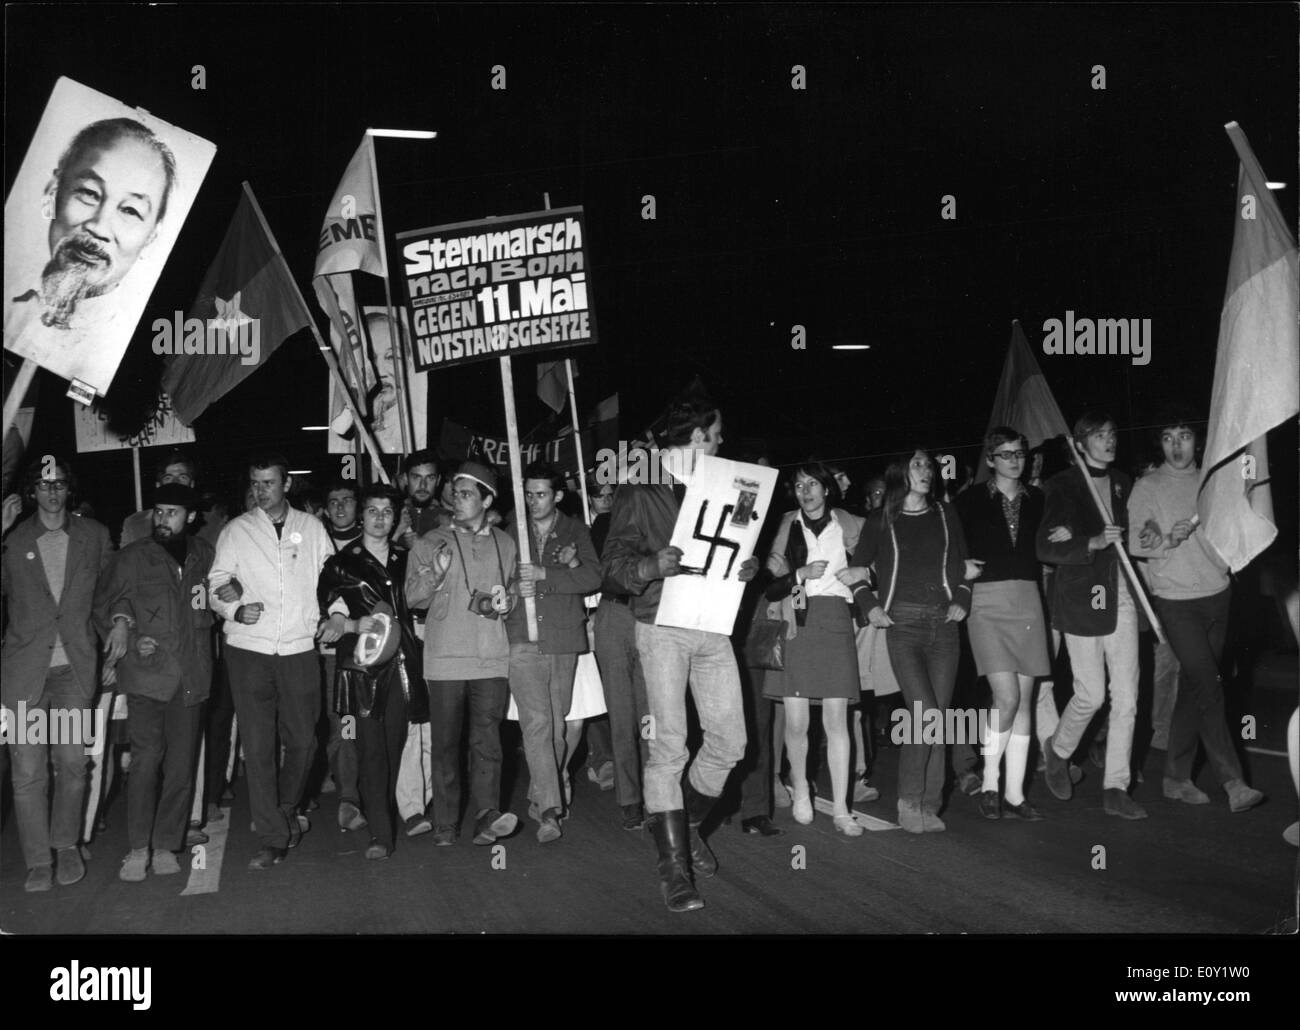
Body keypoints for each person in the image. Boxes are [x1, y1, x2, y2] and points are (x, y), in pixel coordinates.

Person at [602, 393, 759, 912]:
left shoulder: (725, 488)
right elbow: (613, 565)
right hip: (662, 626)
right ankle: (674, 870)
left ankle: (684, 826)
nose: (721, 443)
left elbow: (735, 549)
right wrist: (650, 568)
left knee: (731, 741)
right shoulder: (639, 487)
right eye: (716, 436)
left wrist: (749, 568)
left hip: (713, 625)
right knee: (669, 747)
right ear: (696, 438)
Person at [1127, 416, 1264, 813]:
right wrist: (1164, 537)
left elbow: (1245, 506)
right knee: (1210, 684)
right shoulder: (1148, 486)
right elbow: (1139, 537)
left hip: (1218, 593)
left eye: (1184, 437)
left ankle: (1175, 776)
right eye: (1168, 437)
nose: (1176, 446)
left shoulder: (1213, 480)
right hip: (1176, 600)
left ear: (1197, 442)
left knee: (1194, 686)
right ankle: (1233, 781)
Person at [207, 452, 334, 868]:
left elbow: (333, 581)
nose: (261, 491)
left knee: (304, 740)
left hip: (298, 648)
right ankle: (274, 835)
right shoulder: (236, 530)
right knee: (258, 746)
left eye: (269, 483)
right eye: (255, 483)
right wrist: (234, 609)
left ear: (286, 485)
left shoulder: (312, 528)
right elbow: (217, 583)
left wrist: (337, 617)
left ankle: (283, 806)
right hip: (248, 650)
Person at [2, 457, 115, 892]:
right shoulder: (13, 538)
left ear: (69, 489)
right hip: (26, 676)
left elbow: (109, 595)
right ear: (32, 491)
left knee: (71, 763)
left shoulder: (94, 536)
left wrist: (119, 624)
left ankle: (66, 844)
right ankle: (37, 860)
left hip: (71, 672)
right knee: (28, 771)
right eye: (43, 484)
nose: (51, 491)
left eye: (59, 484)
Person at [844, 448, 971, 834]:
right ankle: (908, 800)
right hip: (904, 626)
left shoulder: (946, 514)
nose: (926, 471)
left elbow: (964, 565)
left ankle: (930, 804)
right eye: (917, 464)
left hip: (944, 626)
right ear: (901, 472)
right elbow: (856, 569)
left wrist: (963, 598)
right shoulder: (881, 519)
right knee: (927, 715)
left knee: (941, 719)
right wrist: (870, 603)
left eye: (929, 465)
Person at [93, 484, 214, 880]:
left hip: (192, 675)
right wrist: (125, 628)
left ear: (190, 517)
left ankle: (166, 845)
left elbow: (221, 597)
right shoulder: (132, 557)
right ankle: (137, 848)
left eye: (172, 513)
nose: (163, 520)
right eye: (158, 512)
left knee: (181, 767)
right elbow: (107, 604)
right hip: (147, 674)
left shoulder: (204, 557)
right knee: (146, 761)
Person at [1036, 413, 1147, 819]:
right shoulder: (1061, 486)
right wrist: (1091, 541)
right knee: (1091, 694)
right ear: (1080, 444)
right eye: (1099, 435)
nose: (1109, 440)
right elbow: (1046, 547)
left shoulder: (1123, 482)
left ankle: (1116, 787)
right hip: (1082, 599)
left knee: (1128, 697)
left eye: (1112, 433)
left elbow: (1134, 534)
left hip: (1120, 594)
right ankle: (1059, 750)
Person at [405, 461, 519, 848]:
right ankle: (446, 821)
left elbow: (514, 592)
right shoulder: (429, 541)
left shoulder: (506, 544)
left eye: (467, 493)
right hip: (444, 661)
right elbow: (412, 598)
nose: (457, 499)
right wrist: (434, 572)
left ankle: (487, 814)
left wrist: (510, 600)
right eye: (455, 492)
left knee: (487, 742)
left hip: (491, 658)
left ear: (487, 499)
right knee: (446, 745)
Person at [957, 428, 1064, 821]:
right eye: (1004, 455)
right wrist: (959, 570)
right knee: (1007, 698)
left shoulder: (1039, 499)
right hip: (986, 602)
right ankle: (989, 785)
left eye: (1018, 454)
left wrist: (1064, 537)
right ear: (990, 460)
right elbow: (951, 548)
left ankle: (1016, 795)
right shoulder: (968, 500)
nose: (1014, 461)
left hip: (1029, 602)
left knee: (1024, 701)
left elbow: (1050, 546)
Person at [318, 484, 429, 859]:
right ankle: (381, 835)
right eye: (373, 511)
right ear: (361, 515)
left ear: (395, 518)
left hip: (402, 666)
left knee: (395, 746)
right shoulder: (340, 563)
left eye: (387, 512)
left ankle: (387, 815)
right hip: (361, 670)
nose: (380, 518)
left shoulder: (406, 557)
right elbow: (327, 612)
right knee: (369, 750)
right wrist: (349, 624)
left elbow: (420, 600)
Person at [5, 119, 178, 361]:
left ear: (151, 237)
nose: (99, 226)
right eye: (89, 193)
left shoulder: (115, 355)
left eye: (130, 210)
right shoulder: (8, 297)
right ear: (52, 192)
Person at [763, 462, 865, 837]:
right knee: (796, 722)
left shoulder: (850, 524)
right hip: (798, 620)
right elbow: (772, 587)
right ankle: (801, 787)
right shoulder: (788, 525)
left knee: (837, 722)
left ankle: (842, 810)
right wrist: (798, 578)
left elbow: (877, 567)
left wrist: (864, 574)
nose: (804, 491)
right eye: (798, 485)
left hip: (836, 619)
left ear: (827, 489)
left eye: (811, 484)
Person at [506, 462, 601, 842]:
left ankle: (539, 793)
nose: (533, 501)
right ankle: (550, 810)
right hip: (521, 638)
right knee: (537, 723)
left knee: (558, 723)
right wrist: (511, 592)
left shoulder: (577, 531)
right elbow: (499, 580)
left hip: (562, 637)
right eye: (528, 493)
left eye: (541, 493)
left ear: (558, 495)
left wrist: (550, 576)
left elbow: (594, 578)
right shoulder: (512, 530)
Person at [393, 449, 443, 837]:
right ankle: (408, 804)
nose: (422, 484)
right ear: (404, 479)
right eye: (416, 477)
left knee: (435, 720)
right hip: (403, 629)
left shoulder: (451, 519)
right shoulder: (391, 518)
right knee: (411, 721)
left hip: (442, 629)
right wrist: (400, 543)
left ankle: (426, 800)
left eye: (429, 477)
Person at [319, 478, 365, 832]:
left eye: (347, 500)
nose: (339, 507)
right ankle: (349, 797)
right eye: (333, 500)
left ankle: (367, 791)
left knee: (368, 723)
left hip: (370, 649)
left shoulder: (374, 544)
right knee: (341, 723)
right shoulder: (313, 544)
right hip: (328, 652)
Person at [120, 450, 198, 546]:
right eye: (168, 478)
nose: (175, 482)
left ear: (192, 484)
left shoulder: (213, 524)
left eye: (182, 477)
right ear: (158, 485)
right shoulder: (135, 524)